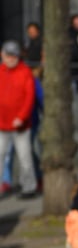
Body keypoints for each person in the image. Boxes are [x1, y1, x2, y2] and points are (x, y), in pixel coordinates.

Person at [0, 40, 38, 199]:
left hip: (20, 125)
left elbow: (29, 97)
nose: (11, 58)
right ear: (2, 55)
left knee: (24, 158)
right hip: (2, 124)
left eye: (14, 56)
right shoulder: (0, 71)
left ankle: (29, 188)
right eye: (8, 55)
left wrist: (21, 117)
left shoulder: (25, 72)